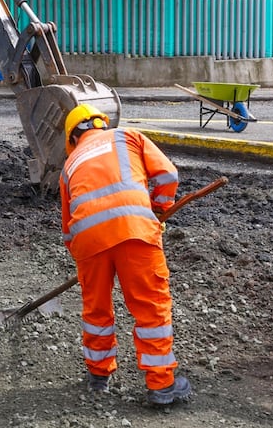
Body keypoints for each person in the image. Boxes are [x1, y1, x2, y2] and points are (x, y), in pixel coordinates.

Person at [58, 103, 191, 406]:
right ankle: (161, 385)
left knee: (96, 308)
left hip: (88, 240)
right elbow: (168, 175)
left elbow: (68, 228)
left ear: (72, 139)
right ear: (100, 124)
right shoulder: (128, 136)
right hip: (134, 231)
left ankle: (97, 375)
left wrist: (84, 258)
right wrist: (157, 209)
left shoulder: (69, 167)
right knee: (150, 307)